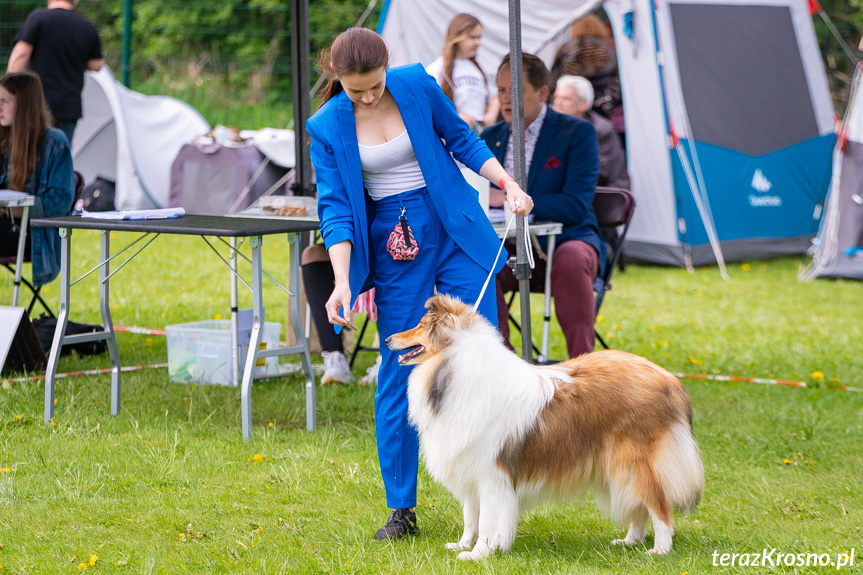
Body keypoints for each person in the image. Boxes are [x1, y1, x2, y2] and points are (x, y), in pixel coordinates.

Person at [306, 27, 532, 541]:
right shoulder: (325, 124)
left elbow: (462, 139)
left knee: (482, 356)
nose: (366, 97)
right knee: (399, 365)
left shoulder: (415, 84)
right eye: (354, 89)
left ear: (387, 66)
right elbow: (336, 210)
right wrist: (341, 281)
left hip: (453, 225)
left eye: (373, 86)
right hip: (394, 241)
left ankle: (495, 486)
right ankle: (401, 508)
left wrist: (508, 184)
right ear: (336, 77)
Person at [482, 54, 607, 359]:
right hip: (508, 247)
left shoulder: (577, 132)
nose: (506, 99)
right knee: (476, 260)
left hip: (568, 241)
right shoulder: (490, 137)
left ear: (542, 92)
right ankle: (502, 362)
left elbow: (575, 205)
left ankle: (584, 366)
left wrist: (516, 199)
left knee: (571, 259)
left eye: (515, 90)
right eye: (500, 91)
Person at [0, 72, 75, 288]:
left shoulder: (54, 142)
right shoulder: (4, 137)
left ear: (24, 104)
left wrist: (13, 209)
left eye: (4, 101)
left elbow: (61, 201)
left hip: (34, 235)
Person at [6, 0, 104, 145]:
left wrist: (7, 89)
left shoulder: (38, 18)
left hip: (36, 103)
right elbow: (97, 64)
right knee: (60, 158)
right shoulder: (86, 25)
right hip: (68, 106)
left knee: (31, 155)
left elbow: (21, 54)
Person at [424, 13, 499, 133]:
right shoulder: (438, 68)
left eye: (479, 37)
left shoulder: (479, 70)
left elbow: (494, 97)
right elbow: (425, 104)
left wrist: (491, 114)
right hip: (453, 139)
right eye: (472, 37)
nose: (478, 43)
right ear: (457, 37)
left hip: (479, 137)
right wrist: (454, 119)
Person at [552, 75, 629, 190]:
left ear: (583, 104)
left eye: (565, 99)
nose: (558, 103)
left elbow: (601, 172)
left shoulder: (601, 129)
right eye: (556, 98)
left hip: (603, 195)